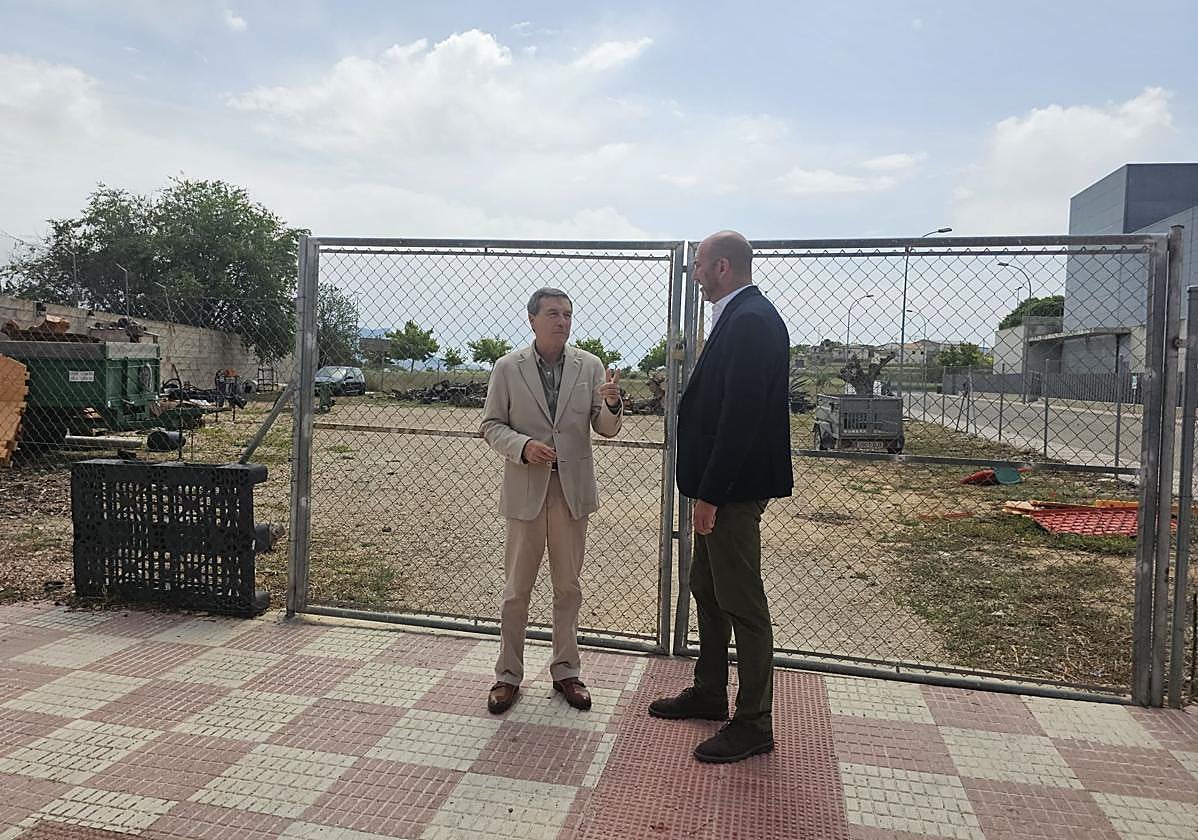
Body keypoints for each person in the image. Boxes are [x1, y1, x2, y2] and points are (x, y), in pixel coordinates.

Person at [649, 230, 793, 763]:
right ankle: (710, 692)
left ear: (723, 267)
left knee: (743, 605)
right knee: (704, 588)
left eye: (701, 265)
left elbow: (740, 419)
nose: (694, 274)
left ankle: (754, 721)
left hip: (730, 492)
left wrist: (709, 495)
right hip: (717, 490)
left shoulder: (752, 321)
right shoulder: (737, 316)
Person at [479, 287, 623, 714]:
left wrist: (613, 405)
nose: (562, 321)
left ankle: (566, 672)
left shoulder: (590, 366)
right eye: (553, 314)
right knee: (515, 591)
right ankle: (507, 676)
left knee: (568, 587)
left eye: (567, 314)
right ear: (532, 319)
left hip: (571, 493)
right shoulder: (508, 368)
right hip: (527, 490)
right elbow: (490, 425)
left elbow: (606, 428)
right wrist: (522, 446)